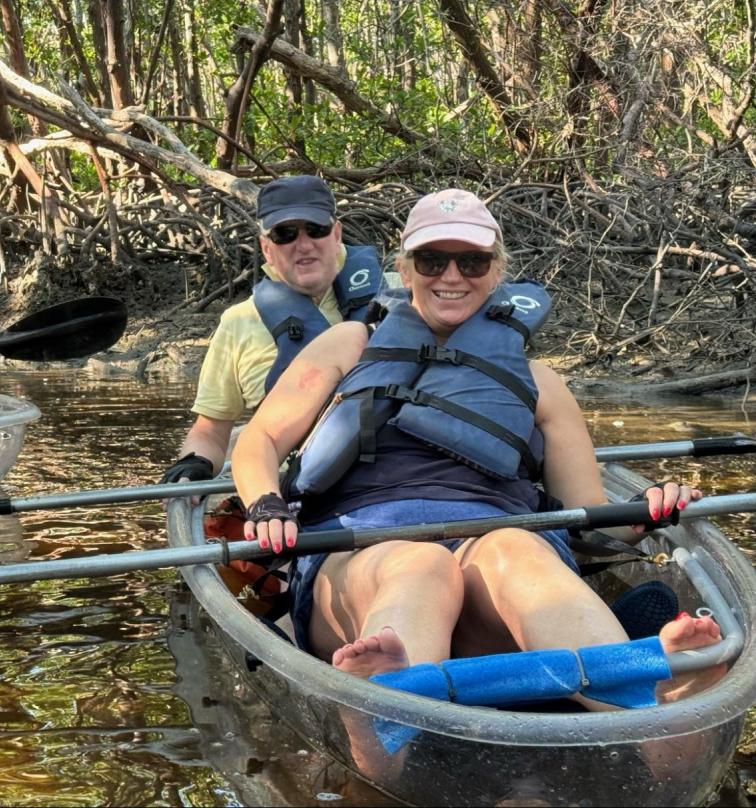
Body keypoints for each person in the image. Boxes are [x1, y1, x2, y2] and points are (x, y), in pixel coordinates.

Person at [232, 187, 724, 709]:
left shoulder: (540, 383)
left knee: (519, 549)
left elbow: (593, 521)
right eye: (432, 260)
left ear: (496, 270)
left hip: (495, 558)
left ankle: (642, 705)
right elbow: (258, 441)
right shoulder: (348, 345)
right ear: (405, 266)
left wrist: (649, 511)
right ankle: (389, 716)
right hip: (362, 552)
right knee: (420, 566)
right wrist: (265, 504)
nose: (451, 276)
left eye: (471, 261)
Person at [162, 175, 391, 484]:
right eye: (285, 234)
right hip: (297, 494)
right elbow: (211, 432)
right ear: (266, 247)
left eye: (316, 230)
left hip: (394, 474)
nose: (304, 245)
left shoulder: (401, 295)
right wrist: (194, 463)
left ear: (336, 234)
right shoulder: (238, 322)